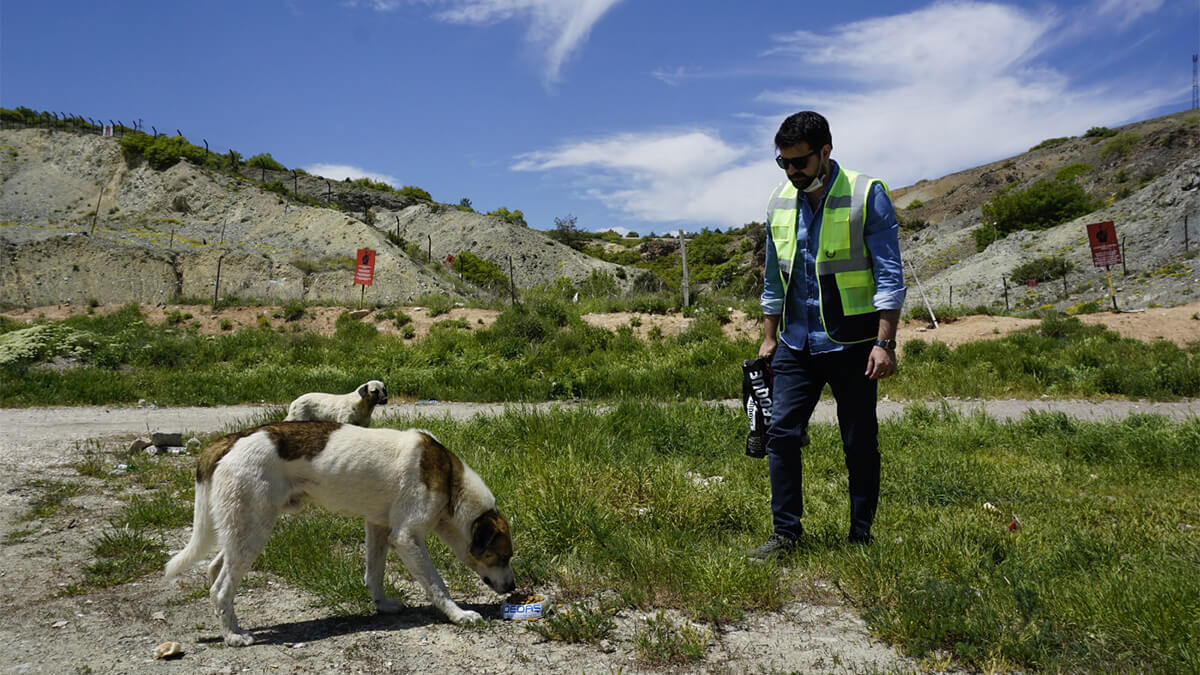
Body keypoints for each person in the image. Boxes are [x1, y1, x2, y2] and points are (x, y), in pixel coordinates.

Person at [748, 111, 906, 559]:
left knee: (858, 439)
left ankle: (860, 536)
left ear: (825, 152)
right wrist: (768, 336)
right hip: (796, 342)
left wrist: (885, 341)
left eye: (799, 162)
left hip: (854, 342)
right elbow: (772, 278)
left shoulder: (865, 194)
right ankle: (786, 534)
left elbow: (889, 274)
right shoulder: (779, 202)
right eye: (783, 163)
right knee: (780, 434)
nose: (792, 171)